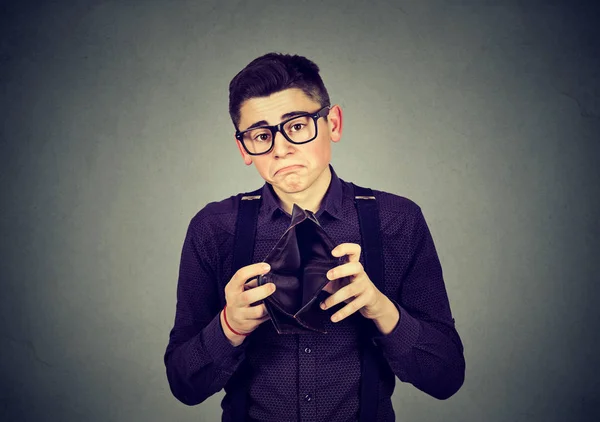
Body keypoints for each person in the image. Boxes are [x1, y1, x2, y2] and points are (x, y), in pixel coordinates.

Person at [164, 52, 466, 422]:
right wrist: (229, 326)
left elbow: (447, 377)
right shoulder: (214, 228)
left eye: (296, 126)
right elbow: (183, 385)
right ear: (244, 148)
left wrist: (381, 309)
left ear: (333, 123)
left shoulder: (398, 221)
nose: (280, 148)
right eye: (260, 135)